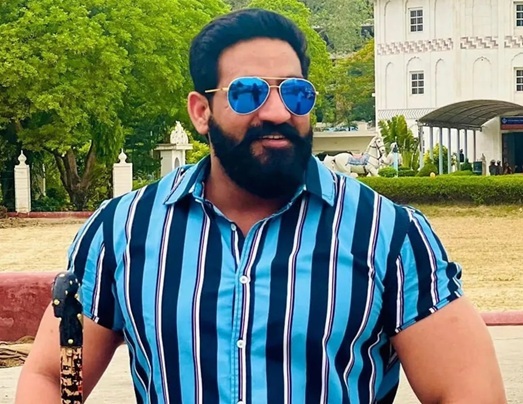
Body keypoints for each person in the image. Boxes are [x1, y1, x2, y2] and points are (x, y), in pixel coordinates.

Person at [16, 9, 506, 404]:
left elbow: (467, 389)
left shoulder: (388, 235)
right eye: (248, 93)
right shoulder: (123, 232)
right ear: (201, 112)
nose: (277, 111)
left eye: (296, 92)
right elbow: (51, 377)